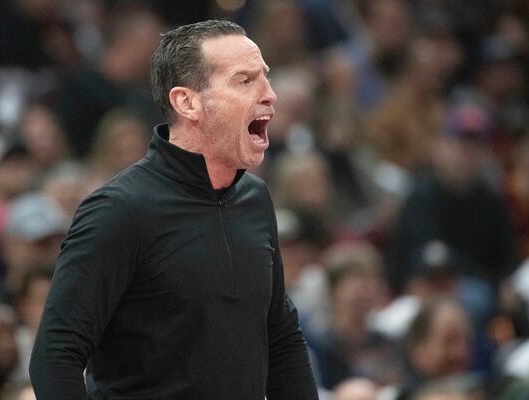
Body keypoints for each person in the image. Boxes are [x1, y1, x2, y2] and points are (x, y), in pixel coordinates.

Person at [30, 19, 319, 400]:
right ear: (187, 102)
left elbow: (280, 338)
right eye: (244, 81)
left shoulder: (255, 200)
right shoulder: (120, 210)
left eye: (264, 77)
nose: (270, 95)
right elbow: (55, 356)